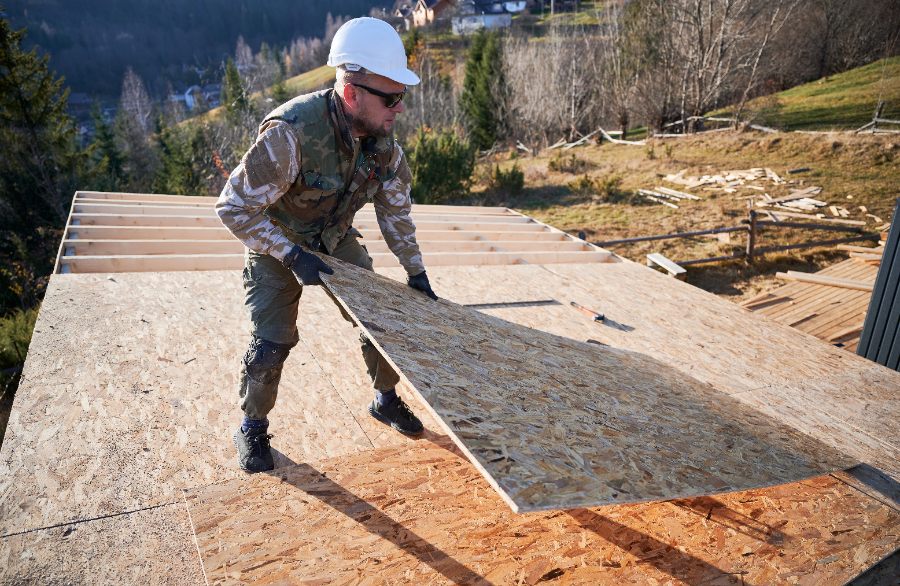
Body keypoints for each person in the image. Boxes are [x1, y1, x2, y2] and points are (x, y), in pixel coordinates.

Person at [215, 17, 438, 473]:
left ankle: (385, 399)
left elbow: (396, 213)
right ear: (352, 91)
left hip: (334, 238)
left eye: (402, 97)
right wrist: (291, 255)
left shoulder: (384, 146)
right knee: (271, 344)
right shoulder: (290, 135)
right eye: (390, 97)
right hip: (278, 240)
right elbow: (233, 208)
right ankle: (252, 427)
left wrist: (415, 273)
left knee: (381, 322)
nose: (399, 109)